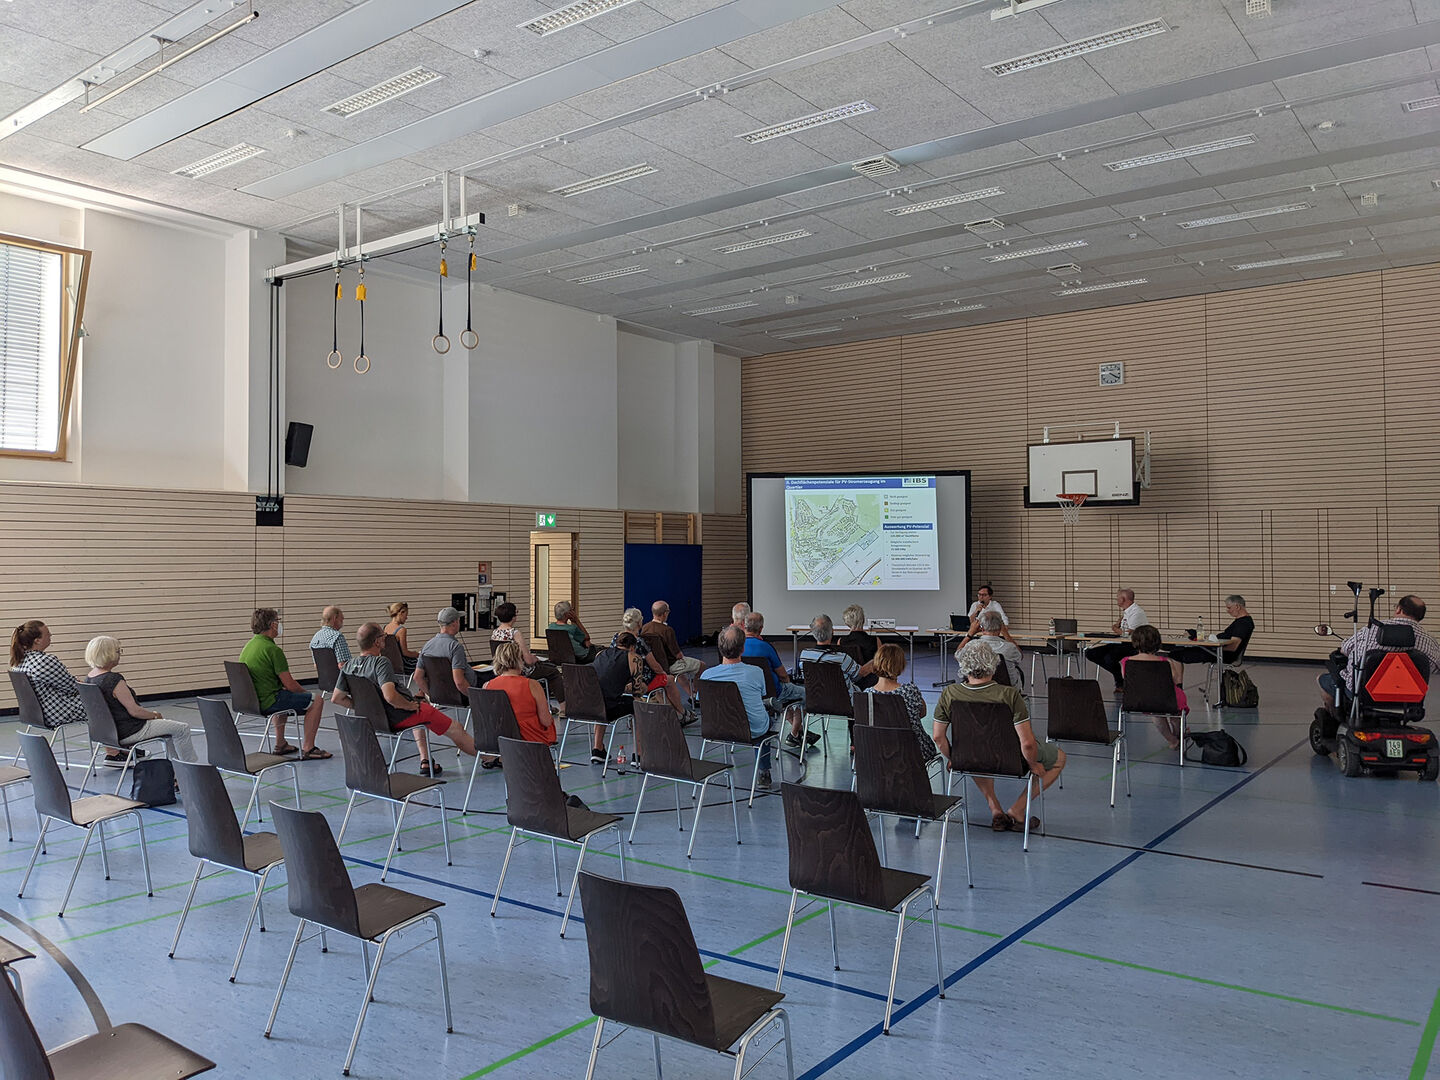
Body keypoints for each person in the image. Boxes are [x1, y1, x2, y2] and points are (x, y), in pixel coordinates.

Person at [933, 641, 1065, 832]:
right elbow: (1027, 743)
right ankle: (1017, 810)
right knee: (1059, 759)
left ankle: (995, 808)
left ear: (964, 666)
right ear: (993, 665)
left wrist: (953, 757)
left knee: (975, 754)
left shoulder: (949, 693)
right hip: (1010, 758)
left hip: (969, 755)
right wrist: (1033, 763)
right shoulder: (1009, 694)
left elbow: (938, 737)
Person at [331, 622, 477, 773]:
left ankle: (426, 760)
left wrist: (368, 707)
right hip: (396, 716)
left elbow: (337, 698)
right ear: (377, 642)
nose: (385, 638)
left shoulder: (348, 666)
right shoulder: (381, 662)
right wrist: (408, 706)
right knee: (455, 728)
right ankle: (486, 757)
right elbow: (390, 696)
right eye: (383, 636)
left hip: (374, 719)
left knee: (421, 707)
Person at [84, 635, 197, 764]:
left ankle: (176, 765)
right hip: (130, 730)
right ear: (108, 654)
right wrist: (154, 715)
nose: (119, 655)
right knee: (182, 729)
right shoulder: (113, 680)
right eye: (118, 651)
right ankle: (190, 768)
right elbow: (135, 711)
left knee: (169, 729)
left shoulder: (89, 678)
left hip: (107, 734)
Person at [238, 608, 330, 759]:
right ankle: (309, 747)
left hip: (251, 702)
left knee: (283, 694)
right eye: (278, 621)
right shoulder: (273, 650)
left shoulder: (249, 646)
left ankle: (280, 744)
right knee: (317, 701)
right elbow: (290, 684)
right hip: (269, 701)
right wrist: (307, 694)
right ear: (272, 624)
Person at [1319, 594, 1440, 707]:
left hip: (1363, 695)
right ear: (1421, 616)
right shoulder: (1430, 642)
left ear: (1399, 609)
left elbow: (1345, 649)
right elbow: (1434, 668)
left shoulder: (1372, 628)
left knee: (1322, 679)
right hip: (1408, 699)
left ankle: (1335, 716)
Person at [700, 625, 778, 785]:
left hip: (716, 728)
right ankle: (764, 771)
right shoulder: (755, 672)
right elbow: (762, 694)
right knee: (768, 718)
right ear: (742, 649)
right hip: (751, 730)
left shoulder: (706, 676)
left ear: (720, 648)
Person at [864, 643, 939, 766]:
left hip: (879, 749)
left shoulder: (866, 694)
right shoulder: (909, 690)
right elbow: (922, 713)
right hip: (913, 749)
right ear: (900, 665)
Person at [795, 613, 859, 753]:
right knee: (859, 695)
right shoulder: (842, 658)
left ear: (813, 633)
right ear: (832, 632)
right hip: (844, 704)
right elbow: (858, 674)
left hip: (815, 703)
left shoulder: (804, 655)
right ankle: (855, 743)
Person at [613, 608, 690, 723]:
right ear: (639, 623)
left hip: (622, 681)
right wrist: (663, 673)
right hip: (641, 681)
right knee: (668, 680)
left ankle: (674, 713)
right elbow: (655, 666)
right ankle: (681, 713)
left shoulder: (616, 638)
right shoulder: (638, 642)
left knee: (660, 684)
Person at [1122, 625, 1187, 750]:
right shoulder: (1165, 662)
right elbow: (1175, 679)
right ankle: (1179, 733)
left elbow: (1127, 680)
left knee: (1156, 715)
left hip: (1141, 700)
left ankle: (1172, 740)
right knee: (1175, 710)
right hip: (1167, 699)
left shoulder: (1126, 661)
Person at [9, 620, 85, 728]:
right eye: (47, 634)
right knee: (104, 703)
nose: (50, 635)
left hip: (33, 716)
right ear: (37, 640)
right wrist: (79, 682)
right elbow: (72, 688)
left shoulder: (17, 663)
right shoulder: (44, 661)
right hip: (56, 714)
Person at [491, 601, 564, 708]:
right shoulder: (515, 633)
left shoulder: (494, 633)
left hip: (503, 670)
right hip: (521, 670)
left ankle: (546, 705)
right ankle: (563, 707)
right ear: (513, 617)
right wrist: (535, 659)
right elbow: (528, 661)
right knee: (553, 672)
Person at [487, 641, 555, 746]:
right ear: (520, 660)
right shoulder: (533, 685)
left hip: (500, 738)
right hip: (529, 738)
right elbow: (545, 721)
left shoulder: (487, 686)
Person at [589, 632, 643, 763]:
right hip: (609, 708)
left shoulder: (600, 654)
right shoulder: (634, 658)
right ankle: (638, 754)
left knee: (601, 698)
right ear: (632, 647)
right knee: (637, 706)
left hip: (589, 706)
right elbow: (637, 693)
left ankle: (597, 748)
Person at [1086, 588, 1150, 691]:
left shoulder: (1137, 612)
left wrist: (1115, 628)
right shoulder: (1127, 612)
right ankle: (1119, 678)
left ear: (1123, 599)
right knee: (1091, 653)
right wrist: (1117, 627)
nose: (1116, 600)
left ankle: (1120, 682)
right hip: (1122, 642)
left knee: (1110, 658)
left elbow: (1127, 632)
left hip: (1134, 644)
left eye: (1118, 598)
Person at [742, 611, 806, 713]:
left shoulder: (737, 647)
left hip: (747, 691)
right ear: (761, 628)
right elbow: (783, 675)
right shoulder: (766, 647)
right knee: (804, 693)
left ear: (744, 626)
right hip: (772, 692)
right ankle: (795, 723)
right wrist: (788, 684)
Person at [641, 601, 706, 699]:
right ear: (665, 614)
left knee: (680, 673)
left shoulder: (645, 628)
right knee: (701, 665)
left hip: (655, 664)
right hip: (670, 664)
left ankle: (691, 695)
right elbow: (678, 655)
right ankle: (696, 695)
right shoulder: (667, 630)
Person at [1169, 595, 1255, 668]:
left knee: (1175, 655)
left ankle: (1177, 682)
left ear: (1237, 607)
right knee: (1180, 649)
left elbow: (1233, 647)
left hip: (1222, 654)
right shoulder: (1243, 621)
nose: (1228, 611)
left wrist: (1209, 646)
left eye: (1229, 608)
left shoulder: (1243, 624)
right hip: (1218, 651)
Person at [957, 610, 1024, 687]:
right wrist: (1006, 634)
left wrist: (970, 633)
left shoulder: (971, 646)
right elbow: (1020, 656)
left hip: (977, 688)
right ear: (1000, 628)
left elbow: (958, 655)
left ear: (982, 628)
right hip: (1005, 688)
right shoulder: (1010, 648)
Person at [839, 604, 879, 689]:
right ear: (863, 620)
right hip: (872, 685)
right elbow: (882, 664)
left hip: (849, 684)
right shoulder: (875, 640)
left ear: (847, 623)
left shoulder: (841, 641)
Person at [383, 602, 418, 675]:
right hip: (403, 664)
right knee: (423, 664)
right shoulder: (401, 630)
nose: (406, 618)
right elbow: (405, 653)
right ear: (401, 613)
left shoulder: (385, 628)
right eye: (406, 615)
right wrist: (417, 654)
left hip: (390, 663)